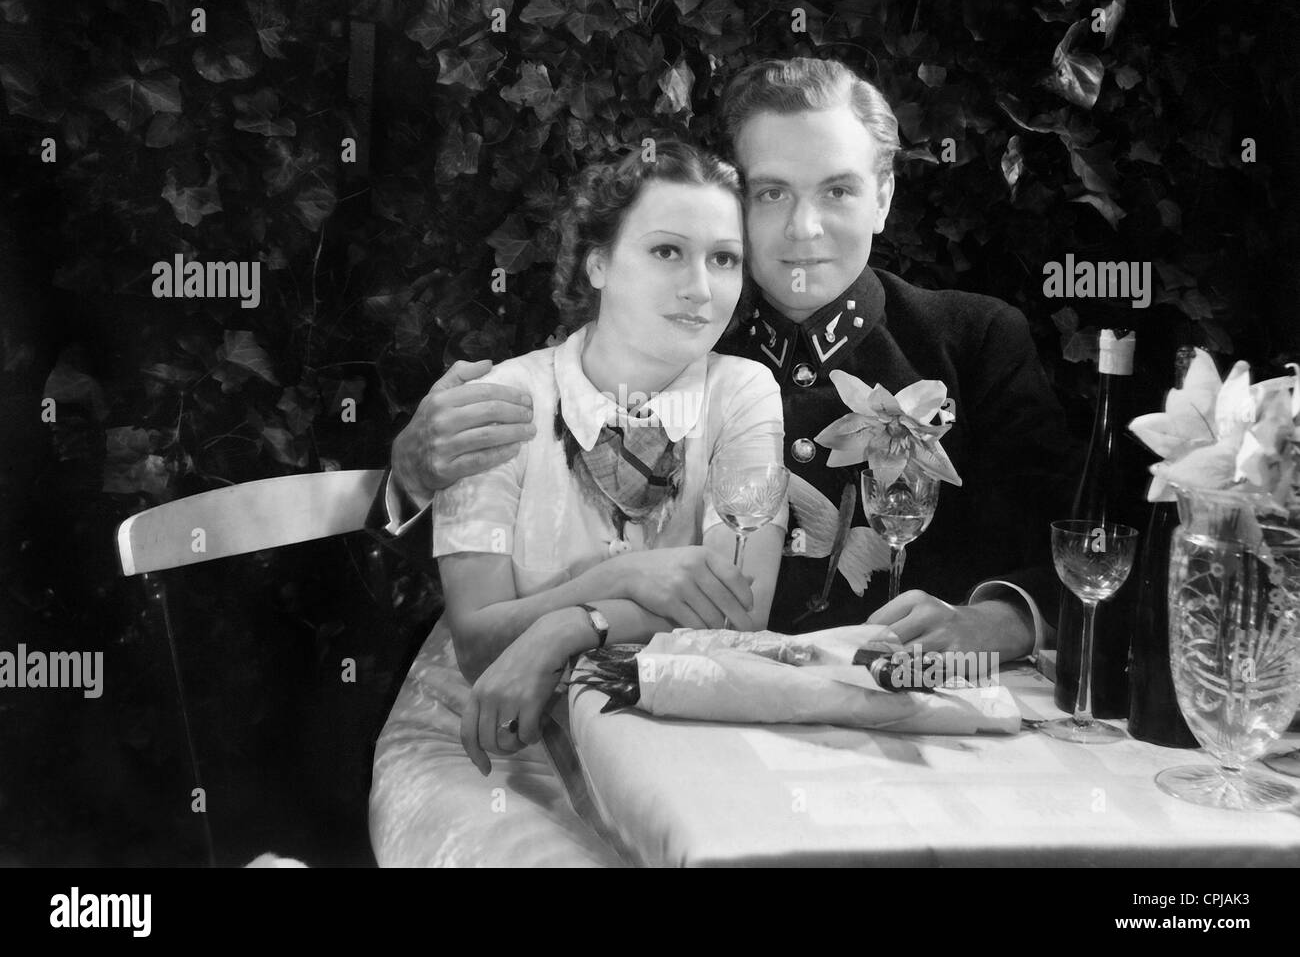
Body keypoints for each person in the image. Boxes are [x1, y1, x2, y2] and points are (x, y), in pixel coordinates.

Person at [376, 57, 1074, 668]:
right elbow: (503, 559)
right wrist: (411, 478)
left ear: (884, 198)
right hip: (690, 716)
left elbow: (1075, 549)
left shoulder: (974, 339)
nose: (804, 228)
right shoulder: (670, 335)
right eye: (772, 193)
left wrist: (1000, 621)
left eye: (837, 190)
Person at [369, 140, 787, 866]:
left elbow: (738, 612)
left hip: (659, 741)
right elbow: (477, 644)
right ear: (597, 264)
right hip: (485, 740)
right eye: (666, 252)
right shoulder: (501, 401)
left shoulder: (744, 393)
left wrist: (569, 625)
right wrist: (616, 583)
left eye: (723, 258)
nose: (700, 286)